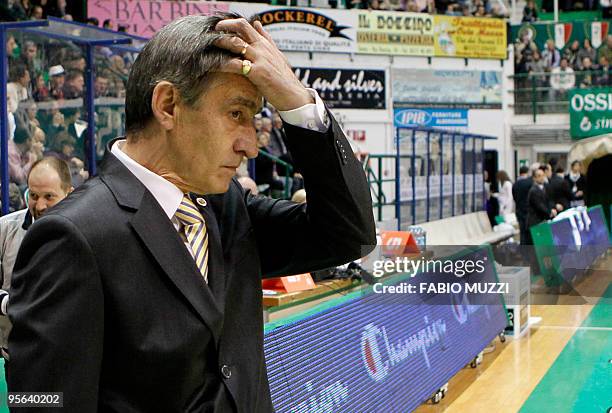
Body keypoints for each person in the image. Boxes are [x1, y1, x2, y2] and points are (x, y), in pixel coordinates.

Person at [7, 13, 376, 413]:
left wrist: (297, 102)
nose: (251, 146)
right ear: (168, 105)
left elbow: (348, 234)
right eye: (237, 114)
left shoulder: (226, 205)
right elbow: (41, 401)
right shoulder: (72, 236)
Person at [0, 157, 73, 350]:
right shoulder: (4, 230)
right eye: (33, 195)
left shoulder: (89, 235)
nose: (40, 206)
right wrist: (9, 303)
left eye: (49, 197)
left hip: (64, 355)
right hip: (15, 355)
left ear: (69, 194)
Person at [526, 167, 558, 244]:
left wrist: (553, 208)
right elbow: (539, 206)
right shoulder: (533, 190)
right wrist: (550, 212)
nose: (542, 178)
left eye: (543, 175)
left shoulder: (545, 187)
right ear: (534, 178)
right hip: (535, 221)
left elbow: (549, 200)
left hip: (543, 220)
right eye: (539, 176)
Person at [512, 165, 532, 245]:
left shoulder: (515, 184)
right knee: (529, 233)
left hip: (519, 210)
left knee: (522, 232)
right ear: (527, 172)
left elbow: (514, 197)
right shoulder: (529, 183)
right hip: (528, 211)